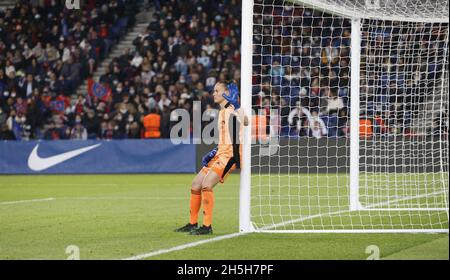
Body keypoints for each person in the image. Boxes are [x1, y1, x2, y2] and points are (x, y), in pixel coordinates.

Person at [175, 81, 248, 235]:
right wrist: (214, 151)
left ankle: (207, 226)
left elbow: (246, 121)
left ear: (226, 93)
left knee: (206, 185)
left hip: (231, 156)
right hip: (221, 153)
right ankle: (192, 223)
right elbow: (227, 137)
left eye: (216, 91)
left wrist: (237, 105)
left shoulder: (233, 109)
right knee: (196, 184)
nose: (213, 93)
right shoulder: (222, 112)